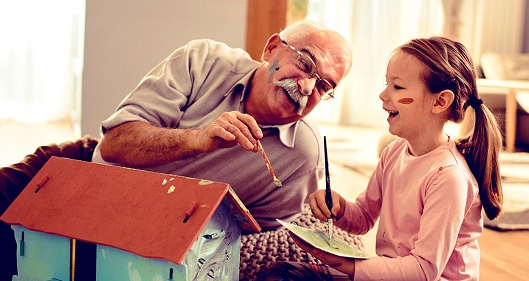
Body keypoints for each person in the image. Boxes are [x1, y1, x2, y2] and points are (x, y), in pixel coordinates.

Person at [264, 37, 503, 280]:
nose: (382, 94)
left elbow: (423, 271)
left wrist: (348, 266)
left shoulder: (449, 177)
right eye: (386, 84)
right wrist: (339, 207)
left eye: (397, 87)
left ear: (440, 101)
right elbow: (364, 218)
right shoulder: (394, 153)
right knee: (281, 274)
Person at [91, 20, 352, 231]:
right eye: (305, 63)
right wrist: (197, 140)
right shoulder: (202, 60)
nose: (307, 87)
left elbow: (257, 235)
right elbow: (113, 144)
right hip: (100, 202)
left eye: (323, 85)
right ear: (271, 48)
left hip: (177, 244)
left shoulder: (305, 155)